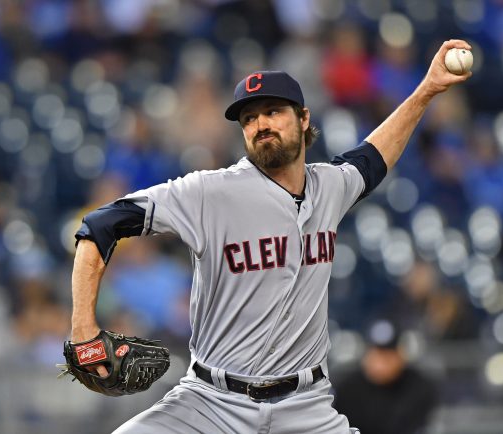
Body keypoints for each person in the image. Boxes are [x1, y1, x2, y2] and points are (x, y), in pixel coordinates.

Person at [69, 39, 472, 433]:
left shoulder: (330, 186)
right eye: (249, 118)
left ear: (304, 118)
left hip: (305, 407)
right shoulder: (211, 192)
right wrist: (83, 329)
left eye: (273, 111)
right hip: (210, 403)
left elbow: (375, 155)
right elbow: (100, 226)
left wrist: (428, 88)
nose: (260, 124)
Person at [333, 319, 438, 434]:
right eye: (377, 353)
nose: (381, 362)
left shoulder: (419, 388)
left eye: (388, 355)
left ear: (401, 354)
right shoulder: (347, 387)